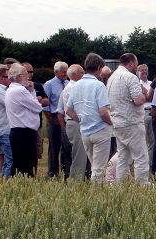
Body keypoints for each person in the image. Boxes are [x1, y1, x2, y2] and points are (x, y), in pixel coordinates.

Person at [66, 53, 113, 183]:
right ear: (99, 67)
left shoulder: (75, 85)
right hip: (100, 130)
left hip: (85, 131)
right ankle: (97, 195)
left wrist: (80, 119)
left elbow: (68, 110)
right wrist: (111, 123)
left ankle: (95, 191)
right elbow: (103, 112)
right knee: (99, 169)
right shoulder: (99, 85)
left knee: (94, 166)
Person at [107, 53, 150, 186]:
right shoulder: (130, 77)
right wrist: (144, 93)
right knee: (140, 157)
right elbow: (138, 100)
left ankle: (121, 185)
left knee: (122, 157)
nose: (136, 68)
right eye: (136, 65)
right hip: (131, 123)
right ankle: (142, 186)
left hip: (117, 123)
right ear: (131, 64)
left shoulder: (112, 77)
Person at [5, 63, 42, 177]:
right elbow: (38, 107)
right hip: (24, 132)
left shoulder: (11, 89)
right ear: (18, 76)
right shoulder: (20, 90)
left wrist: (31, 92)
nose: (28, 77)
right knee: (25, 165)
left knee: (19, 164)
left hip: (18, 131)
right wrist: (32, 92)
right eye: (26, 74)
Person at [57, 64, 90, 180]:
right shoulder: (74, 88)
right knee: (79, 156)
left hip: (71, 122)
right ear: (75, 75)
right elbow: (74, 109)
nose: (84, 74)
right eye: (82, 72)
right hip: (76, 123)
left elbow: (61, 108)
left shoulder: (68, 87)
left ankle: (78, 179)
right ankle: (76, 181)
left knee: (78, 154)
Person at [43, 61, 72, 178]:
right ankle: (53, 173)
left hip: (66, 118)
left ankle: (66, 171)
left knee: (66, 146)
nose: (65, 74)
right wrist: (50, 119)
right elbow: (45, 105)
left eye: (66, 71)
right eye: (63, 72)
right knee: (54, 147)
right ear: (56, 72)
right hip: (54, 118)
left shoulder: (68, 83)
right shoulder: (49, 84)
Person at [23, 62, 49, 167]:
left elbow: (46, 101)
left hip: (37, 125)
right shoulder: (19, 88)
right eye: (27, 72)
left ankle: (34, 173)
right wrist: (36, 100)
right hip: (24, 124)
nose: (30, 74)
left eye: (31, 72)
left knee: (36, 152)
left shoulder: (37, 86)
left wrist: (36, 101)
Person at [137, 64, 155, 176]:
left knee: (152, 141)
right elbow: (138, 100)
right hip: (141, 113)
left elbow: (152, 98)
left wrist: (145, 94)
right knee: (142, 141)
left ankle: (150, 165)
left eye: (145, 70)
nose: (144, 72)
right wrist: (147, 96)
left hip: (151, 112)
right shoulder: (135, 84)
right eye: (142, 70)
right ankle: (141, 167)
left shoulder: (151, 83)